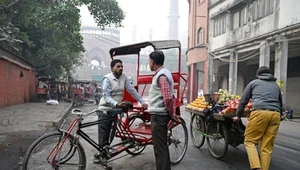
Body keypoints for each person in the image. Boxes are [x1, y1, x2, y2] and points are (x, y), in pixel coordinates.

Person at [94, 59, 148, 164]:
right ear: (112, 68)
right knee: (103, 133)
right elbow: (106, 96)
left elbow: (132, 90)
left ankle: (105, 151)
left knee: (112, 132)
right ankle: (100, 155)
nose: (120, 68)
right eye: (118, 66)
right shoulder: (107, 79)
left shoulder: (123, 78)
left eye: (121, 66)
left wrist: (142, 102)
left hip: (114, 110)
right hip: (105, 109)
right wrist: (117, 104)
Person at [233, 66, 283, 170]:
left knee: (249, 141)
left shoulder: (253, 83)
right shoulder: (276, 86)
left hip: (260, 113)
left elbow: (243, 100)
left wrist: (238, 115)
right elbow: (281, 103)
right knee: (267, 147)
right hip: (275, 114)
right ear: (270, 74)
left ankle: (256, 167)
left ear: (257, 75)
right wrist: (280, 115)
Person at [147, 51, 180, 170]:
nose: (149, 63)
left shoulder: (161, 76)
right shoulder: (161, 74)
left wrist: (171, 114)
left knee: (160, 150)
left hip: (159, 116)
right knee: (161, 148)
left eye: (149, 61)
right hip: (158, 115)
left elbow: (167, 98)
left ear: (153, 62)